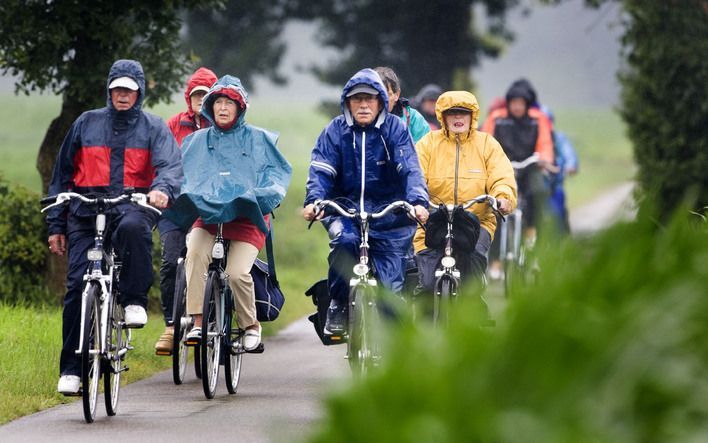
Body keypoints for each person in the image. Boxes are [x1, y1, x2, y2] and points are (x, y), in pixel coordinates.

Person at [46, 59, 183, 395]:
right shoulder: (85, 122)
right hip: (85, 210)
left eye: (130, 90)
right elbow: (61, 175)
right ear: (109, 91)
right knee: (78, 286)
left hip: (133, 206)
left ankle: (134, 299)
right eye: (118, 89)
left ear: (139, 93)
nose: (123, 95)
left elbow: (170, 167)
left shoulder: (153, 127)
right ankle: (71, 371)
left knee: (135, 229)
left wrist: (162, 190)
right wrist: (56, 224)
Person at [165, 75, 292, 351]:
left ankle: (250, 325)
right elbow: (180, 175)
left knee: (236, 274)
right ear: (210, 106)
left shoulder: (258, 139)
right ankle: (197, 321)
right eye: (218, 102)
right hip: (208, 217)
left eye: (229, 103)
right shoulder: (196, 141)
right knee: (195, 253)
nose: (223, 108)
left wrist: (260, 196)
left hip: (246, 221)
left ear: (240, 107)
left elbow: (276, 175)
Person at [303, 68, 429, 334]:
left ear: (381, 101)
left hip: (390, 217)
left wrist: (417, 202)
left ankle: (391, 352)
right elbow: (322, 170)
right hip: (345, 212)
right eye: (357, 99)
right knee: (344, 243)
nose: (363, 104)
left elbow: (410, 168)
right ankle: (338, 303)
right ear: (347, 102)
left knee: (391, 296)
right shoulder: (334, 131)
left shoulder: (395, 129)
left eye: (369, 99)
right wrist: (315, 201)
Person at [414, 91, 516, 293]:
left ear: (473, 116)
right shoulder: (427, 144)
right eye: (452, 113)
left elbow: (501, 176)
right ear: (443, 116)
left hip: (476, 221)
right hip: (432, 221)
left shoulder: (487, 144)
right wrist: (416, 202)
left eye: (463, 113)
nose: (458, 118)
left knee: (472, 279)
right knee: (426, 284)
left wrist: (502, 198)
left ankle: (474, 314)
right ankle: (426, 321)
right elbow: (414, 177)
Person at [154, 67, 217, 355]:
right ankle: (170, 324)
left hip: (210, 211)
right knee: (169, 262)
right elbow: (161, 162)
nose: (201, 102)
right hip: (175, 209)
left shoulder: (223, 126)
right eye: (196, 96)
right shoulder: (173, 125)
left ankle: (211, 317)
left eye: (206, 96)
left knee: (213, 265)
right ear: (188, 99)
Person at [481, 79, 555, 277]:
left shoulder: (538, 119)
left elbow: (545, 144)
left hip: (530, 166)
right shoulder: (497, 118)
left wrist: (543, 159)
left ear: (528, 104)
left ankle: (532, 231)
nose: (517, 106)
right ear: (508, 102)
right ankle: (495, 261)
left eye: (521, 103)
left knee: (539, 191)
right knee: (494, 206)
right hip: (503, 168)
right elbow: (484, 142)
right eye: (513, 102)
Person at [374, 66, 430, 143]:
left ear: (397, 94)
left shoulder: (414, 119)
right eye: (376, 95)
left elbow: (426, 151)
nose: (382, 99)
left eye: (387, 94)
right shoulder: (360, 118)